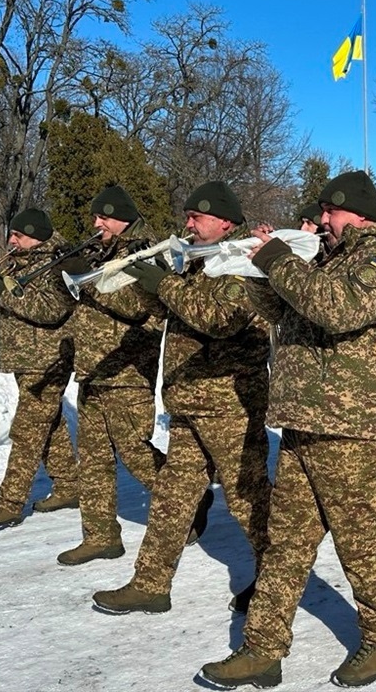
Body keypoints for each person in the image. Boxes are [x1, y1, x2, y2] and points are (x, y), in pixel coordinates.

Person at [198, 171, 376, 689]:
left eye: (330, 212)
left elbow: (334, 309)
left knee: (361, 543)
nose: (322, 220)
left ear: (359, 214)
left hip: (352, 432)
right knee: (286, 543)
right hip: (304, 423)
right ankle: (262, 649)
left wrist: (280, 260)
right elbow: (286, 309)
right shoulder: (328, 261)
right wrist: (252, 269)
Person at [91, 181, 273, 614]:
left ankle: (276, 581)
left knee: (248, 498)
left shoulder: (243, 261)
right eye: (188, 216)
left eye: (197, 217)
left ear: (225, 222)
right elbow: (169, 310)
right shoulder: (196, 261)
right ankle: (150, 584)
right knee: (172, 498)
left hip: (229, 405)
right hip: (190, 400)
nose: (188, 224)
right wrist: (138, 280)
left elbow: (219, 319)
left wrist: (165, 284)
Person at [57, 186, 176, 566]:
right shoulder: (100, 251)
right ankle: (100, 537)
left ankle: (187, 502)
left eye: (104, 217)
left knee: (134, 452)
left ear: (123, 218)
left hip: (128, 370)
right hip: (93, 369)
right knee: (92, 459)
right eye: (96, 217)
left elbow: (139, 308)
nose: (97, 224)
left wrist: (88, 279)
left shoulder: (147, 252)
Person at [0, 208, 79, 528]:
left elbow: (52, 309)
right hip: (25, 357)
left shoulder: (58, 263)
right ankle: (70, 486)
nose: (11, 240)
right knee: (49, 422)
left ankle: (10, 503)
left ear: (36, 236)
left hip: (48, 359)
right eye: (11, 234)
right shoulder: (18, 262)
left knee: (27, 430)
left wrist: (3, 292)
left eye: (18, 235)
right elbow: (6, 307)